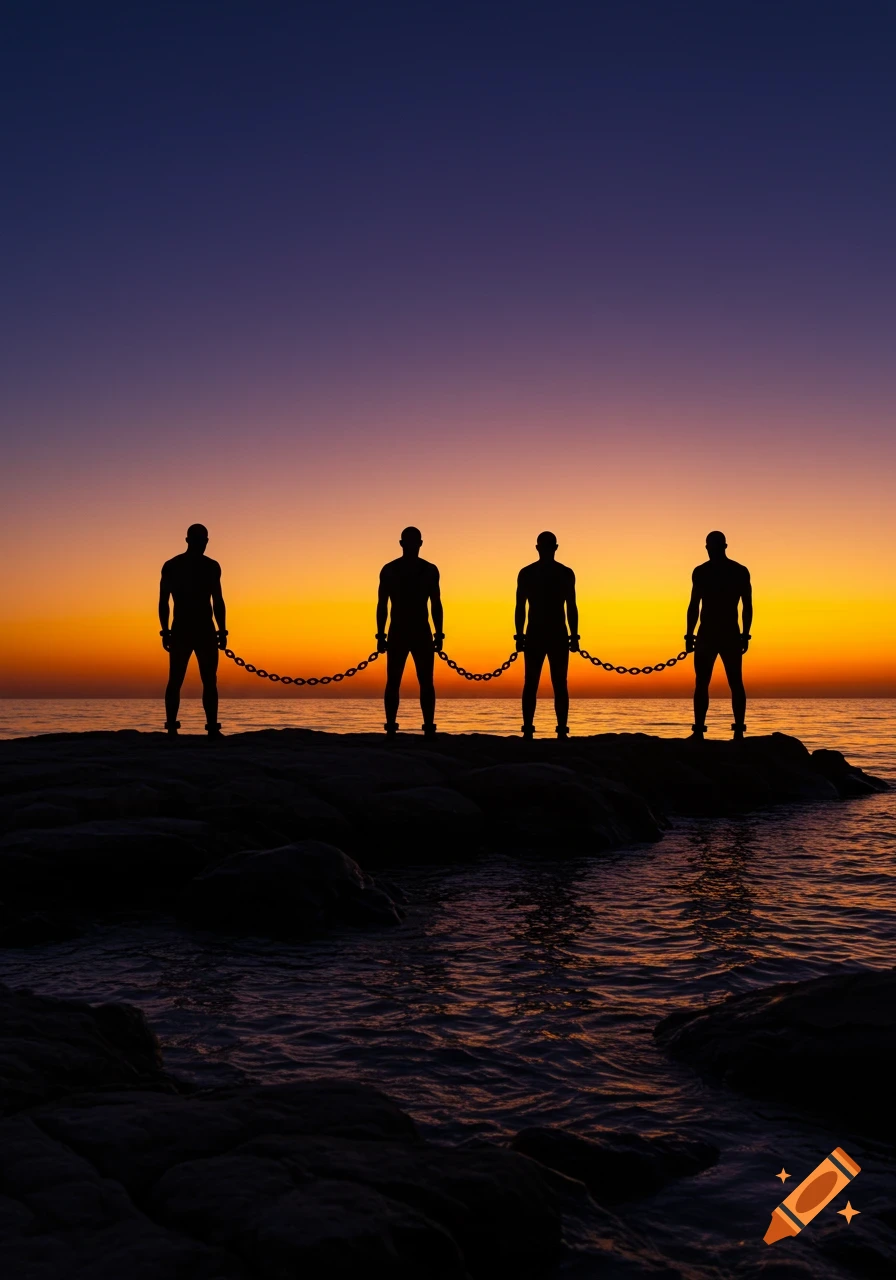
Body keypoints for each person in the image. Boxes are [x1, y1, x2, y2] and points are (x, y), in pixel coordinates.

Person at [159, 524, 227, 737]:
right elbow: (164, 602)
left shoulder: (207, 567)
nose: (202, 544)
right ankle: (178, 726)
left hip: (196, 629)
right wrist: (165, 630)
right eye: (200, 540)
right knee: (182, 679)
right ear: (188, 541)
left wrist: (222, 630)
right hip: (189, 629)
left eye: (204, 540)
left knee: (202, 679)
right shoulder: (175, 566)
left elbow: (218, 601)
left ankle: (207, 727)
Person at [685, 531, 752, 741]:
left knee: (723, 682)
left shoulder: (715, 571)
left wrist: (745, 634)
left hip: (719, 633)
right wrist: (689, 634)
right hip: (718, 633)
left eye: (711, 547)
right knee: (715, 682)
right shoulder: (735, 571)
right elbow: (694, 606)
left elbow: (747, 606)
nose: (710, 550)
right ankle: (712, 730)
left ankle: (728, 730)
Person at [377, 527, 443, 737]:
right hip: (406, 631)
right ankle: (400, 725)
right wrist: (380, 634)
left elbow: (436, 604)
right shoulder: (392, 570)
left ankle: (421, 725)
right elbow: (382, 605)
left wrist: (439, 633)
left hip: (413, 631)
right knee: (401, 680)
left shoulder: (425, 570)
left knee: (420, 680)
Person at [515, 532, 579, 738]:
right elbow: (520, 607)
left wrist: (574, 635)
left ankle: (553, 729)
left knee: (553, 682)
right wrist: (519, 635)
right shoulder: (559, 573)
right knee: (542, 682)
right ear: (555, 547)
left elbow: (571, 607)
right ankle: (534, 729)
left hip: (549, 633)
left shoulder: (531, 573)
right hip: (543, 633)